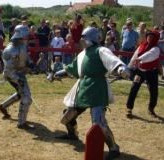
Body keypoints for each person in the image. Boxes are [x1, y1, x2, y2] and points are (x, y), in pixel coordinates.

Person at [53, 27, 130, 160]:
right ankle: (72, 135)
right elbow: (71, 69)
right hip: (82, 88)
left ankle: (114, 148)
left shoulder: (101, 50)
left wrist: (121, 68)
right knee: (66, 118)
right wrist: (55, 74)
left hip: (97, 88)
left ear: (90, 37)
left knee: (99, 123)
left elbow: (113, 61)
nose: (81, 39)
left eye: (83, 36)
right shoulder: (82, 54)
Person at [0, 25, 35, 130]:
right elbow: (7, 70)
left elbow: (25, 56)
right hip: (12, 75)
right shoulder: (11, 49)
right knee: (26, 97)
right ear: (20, 35)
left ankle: (3, 106)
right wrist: (18, 80)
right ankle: (21, 123)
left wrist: (30, 63)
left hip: (20, 74)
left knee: (21, 94)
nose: (27, 37)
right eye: (25, 35)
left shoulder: (22, 45)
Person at [125, 30, 160, 118]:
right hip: (140, 71)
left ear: (154, 38)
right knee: (134, 89)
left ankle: (151, 109)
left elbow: (149, 54)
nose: (149, 38)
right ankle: (129, 108)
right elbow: (135, 56)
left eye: (151, 37)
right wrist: (128, 67)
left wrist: (140, 59)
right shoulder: (142, 45)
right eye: (148, 36)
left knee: (153, 91)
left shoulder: (156, 48)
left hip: (152, 72)